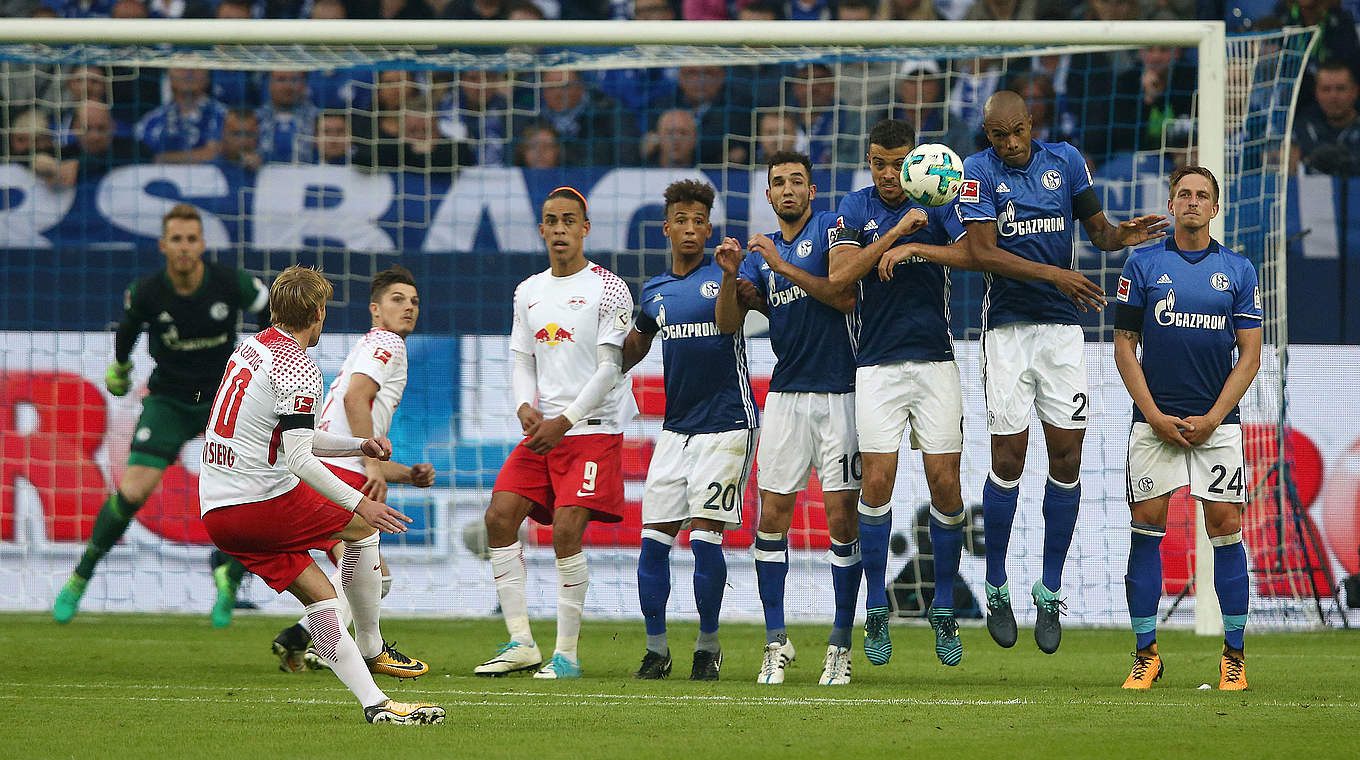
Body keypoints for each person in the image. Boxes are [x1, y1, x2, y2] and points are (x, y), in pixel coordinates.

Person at [956, 90, 1167, 653]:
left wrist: (1125, 233)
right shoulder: (977, 172)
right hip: (1006, 332)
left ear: (1032, 123)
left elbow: (1096, 233)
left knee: (1067, 459)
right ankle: (996, 583)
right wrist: (1057, 277)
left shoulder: (1067, 161)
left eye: (1016, 132)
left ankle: (1049, 590)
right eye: (998, 136)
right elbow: (982, 253)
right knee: (1007, 460)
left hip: (1062, 335)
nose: (1009, 144)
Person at [199, 266, 443, 724]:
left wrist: (358, 445)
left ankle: (377, 706)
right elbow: (299, 459)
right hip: (260, 500)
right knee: (365, 527)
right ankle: (373, 647)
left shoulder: (250, 348)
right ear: (318, 312)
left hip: (217, 509)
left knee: (325, 604)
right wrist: (359, 502)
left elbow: (297, 437)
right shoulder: (298, 366)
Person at [52, 204, 271, 627]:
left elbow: (267, 305)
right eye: (177, 240)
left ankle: (230, 571)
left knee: (254, 491)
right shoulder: (149, 291)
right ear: (163, 246)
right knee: (132, 492)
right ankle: (81, 576)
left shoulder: (229, 283)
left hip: (221, 400)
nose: (185, 248)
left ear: (202, 245)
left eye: (192, 239)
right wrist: (120, 369)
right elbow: (129, 330)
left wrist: (264, 353)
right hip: (168, 399)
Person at [474, 186, 636, 679]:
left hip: (590, 427)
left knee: (567, 531)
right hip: (544, 429)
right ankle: (521, 642)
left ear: (585, 228)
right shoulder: (529, 291)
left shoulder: (609, 289)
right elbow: (522, 356)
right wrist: (525, 404)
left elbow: (611, 367)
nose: (560, 228)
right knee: (499, 517)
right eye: (552, 220)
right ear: (541, 229)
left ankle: (566, 654)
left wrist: (562, 420)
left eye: (570, 220)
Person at [825, 118, 969, 669]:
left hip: (935, 361)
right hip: (877, 366)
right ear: (869, 161)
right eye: (878, 162)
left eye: (897, 162)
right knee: (877, 482)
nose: (887, 173)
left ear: (917, 161)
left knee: (946, 483)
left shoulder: (940, 199)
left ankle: (945, 605)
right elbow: (840, 277)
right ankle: (878, 605)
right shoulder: (856, 207)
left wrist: (916, 250)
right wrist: (894, 234)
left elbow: (976, 254)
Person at [1112, 166, 1260, 691]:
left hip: (1215, 426)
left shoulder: (1238, 270)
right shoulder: (1142, 263)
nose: (1192, 202)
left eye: (1202, 196)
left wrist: (1215, 417)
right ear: (1171, 204)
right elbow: (1124, 344)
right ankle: (1146, 654)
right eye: (1184, 195)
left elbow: (1250, 355)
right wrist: (1152, 415)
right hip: (1154, 424)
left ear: (1215, 208)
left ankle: (1234, 657)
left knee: (1225, 527)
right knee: (1145, 527)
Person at [623, 179, 757, 682]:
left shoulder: (723, 278)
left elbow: (726, 326)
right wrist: (607, 336)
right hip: (675, 431)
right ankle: (657, 650)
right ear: (667, 228)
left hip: (726, 426)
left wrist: (727, 276)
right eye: (682, 220)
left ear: (707, 229)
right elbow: (630, 352)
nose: (691, 229)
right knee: (653, 542)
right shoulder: (654, 292)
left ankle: (707, 645)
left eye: (699, 221)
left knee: (705, 538)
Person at [270, 266, 436, 673]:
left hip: (324, 469)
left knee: (371, 578)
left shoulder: (368, 345)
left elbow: (349, 431)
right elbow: (356, 400)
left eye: (414, 301)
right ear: (375, 310)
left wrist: (404, 474)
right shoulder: (386, 342)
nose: (409, 307)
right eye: (398, 299)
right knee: (369, 575)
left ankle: (303, 640)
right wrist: (374, 467)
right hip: (343, 476)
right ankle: (332, 649)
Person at [735, 151, 861, 685]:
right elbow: (746, 313)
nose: (787, 190)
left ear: (813, 191)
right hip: (785, 396)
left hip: (841, 393)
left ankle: (839, 644)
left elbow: (842, 296)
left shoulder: (833, 231)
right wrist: (737, 288)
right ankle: (775, 641)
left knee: (841, 521)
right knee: (771, 520)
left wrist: (780, 268)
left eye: (797, 182)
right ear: (767, 196)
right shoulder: (756, 255)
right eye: (778, 183)